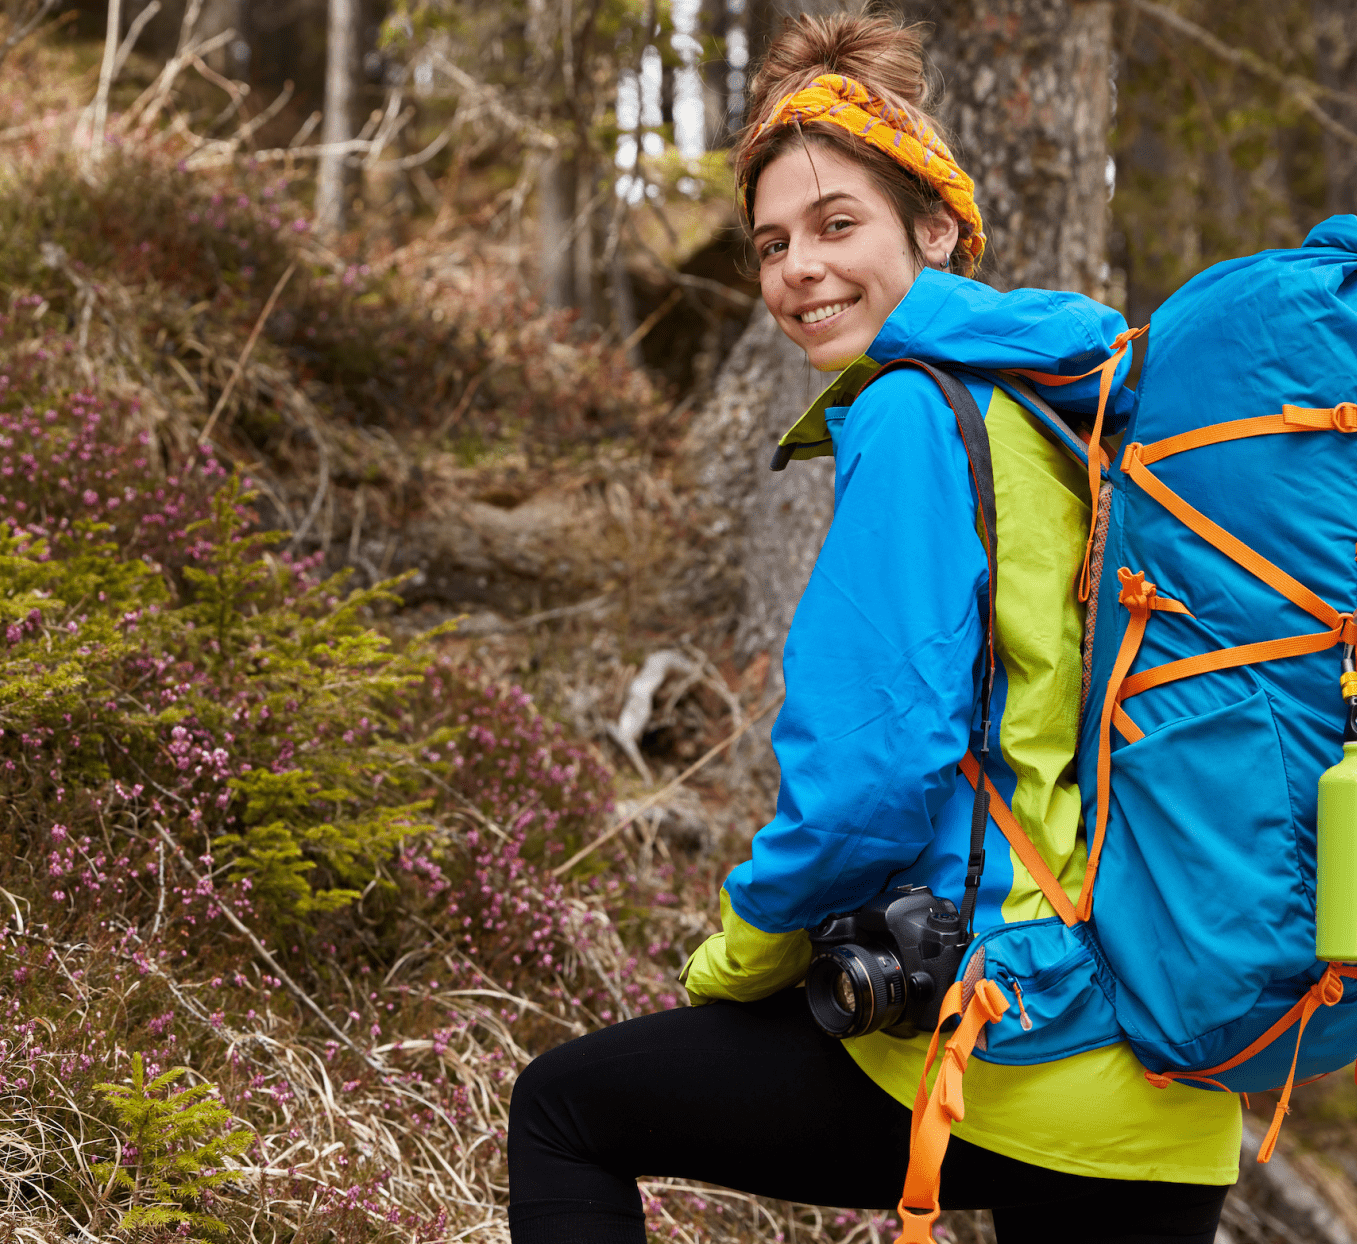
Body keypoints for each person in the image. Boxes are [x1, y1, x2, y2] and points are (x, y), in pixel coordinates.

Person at [506, 13, 1242, 1244]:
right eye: (771, 242)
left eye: (837, 225)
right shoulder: (1062, 422)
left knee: (563, 1109)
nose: (798, 269)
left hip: (1010, 1034)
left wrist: (737, 955)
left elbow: (870, 774)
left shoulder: (910, 412)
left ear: (936, 230)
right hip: (1166, 1067)